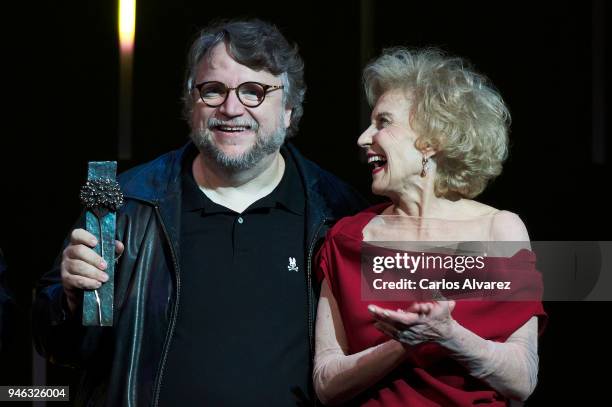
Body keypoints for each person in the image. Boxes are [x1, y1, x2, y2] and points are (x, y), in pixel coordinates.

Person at [33, 19, 366, 406]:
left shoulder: (339, 215)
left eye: (253, 92)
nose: (230, 108)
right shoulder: (127, 204)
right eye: (213, 91)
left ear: (289, 109)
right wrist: (70, 302)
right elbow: (58, 347)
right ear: (192, 105)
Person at [313, 48, 546, 406]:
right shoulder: (347, 239)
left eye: (383, 122)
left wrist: (449, 335)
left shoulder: (499, 231)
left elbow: (522, 378)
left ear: (432, 140)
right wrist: (402, 344)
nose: (363, 138)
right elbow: (326, 384)